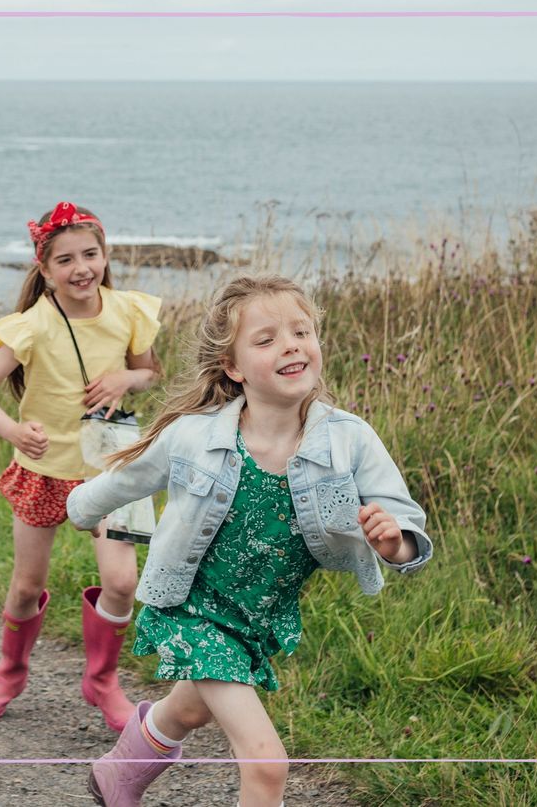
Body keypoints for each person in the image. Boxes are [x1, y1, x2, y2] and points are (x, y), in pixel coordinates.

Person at [67, 275, 434, 807]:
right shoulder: (195, 436)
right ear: (233, 367)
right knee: (267, 764)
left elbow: (405, 527)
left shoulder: (350, 440)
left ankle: (117, 773)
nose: (290, 344)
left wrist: (392, 541)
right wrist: (79, 509)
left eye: (301, 332)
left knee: (190, 710)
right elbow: (126, 479)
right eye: (266, 339)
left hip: (258, 618)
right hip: (192, 607)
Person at [0, 201, 163, 733]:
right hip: (46, 468)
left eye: (91, 254)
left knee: (122, 582)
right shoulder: (32, 326)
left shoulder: (128, 312)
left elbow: (149, 373)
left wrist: (124, 378)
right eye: (67, 259)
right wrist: (12, 430)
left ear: (105, 254)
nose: (82, 268)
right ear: (45, 270)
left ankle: (102, 680)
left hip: (111, 465)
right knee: (27, 585)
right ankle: (10, 671)